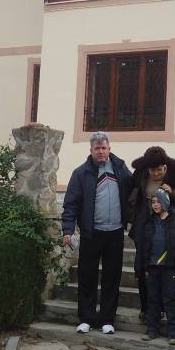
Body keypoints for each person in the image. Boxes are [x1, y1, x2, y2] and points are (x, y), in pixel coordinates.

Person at [61, 131, 133, 335]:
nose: (100, 151)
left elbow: (134, 189)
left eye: (103, 148)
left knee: (112, 277)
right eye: (97, 148)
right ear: (91, 150)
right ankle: (86, 319)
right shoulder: (81, 173)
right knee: (87, 277)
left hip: (115, 233)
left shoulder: (120, 169)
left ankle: (107, 320)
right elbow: (71, 204)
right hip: (91, 234)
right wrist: (68, 229)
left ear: (109, 149)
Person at [127, 146, 175, 321]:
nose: (155, 173)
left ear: (165, 167)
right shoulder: (140, 174)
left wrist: (173, 192)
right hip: (144, 226)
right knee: (143, 269)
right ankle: (146, 308)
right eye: (152, 170)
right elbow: (131, 191)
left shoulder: (174, 174)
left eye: (159, 170)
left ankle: (163, 308)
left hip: (166, 227)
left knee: (163, 267)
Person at [136, 188, 175, 345]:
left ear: (165, 203)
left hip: (169, 267)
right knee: (152, 299)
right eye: (153, 202)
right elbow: (142, 247)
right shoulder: (148, 222)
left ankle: (173, 333)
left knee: (170, 299)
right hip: (152, 267)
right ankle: (152, 330)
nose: (155, 205)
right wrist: (139, 267)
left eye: (158, 202)